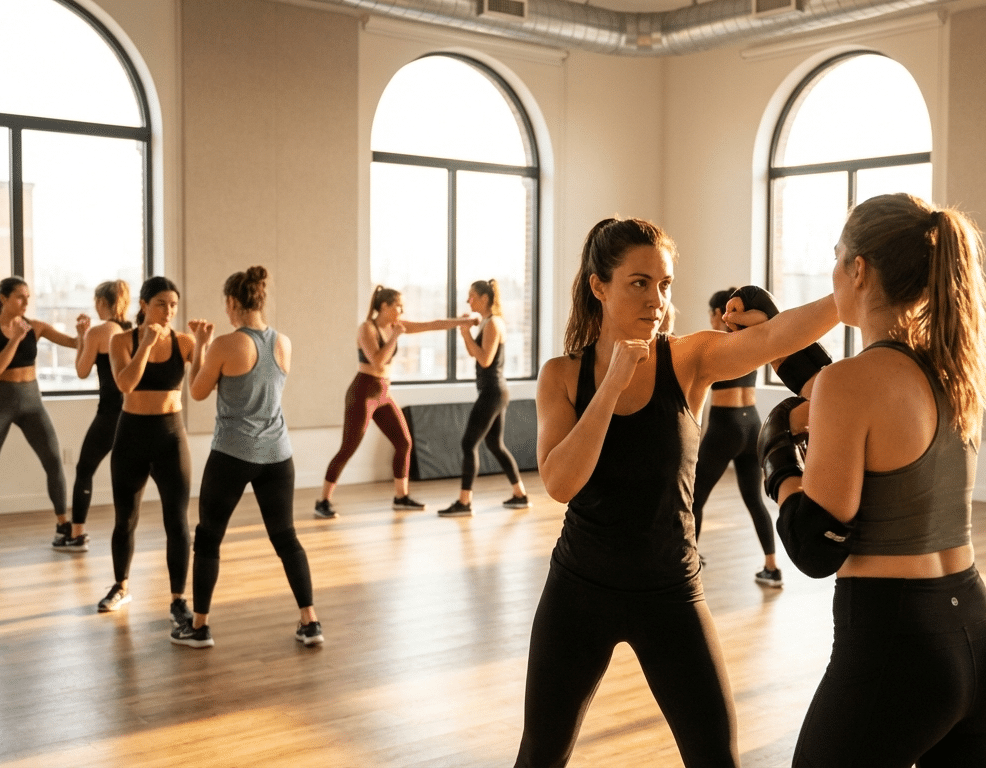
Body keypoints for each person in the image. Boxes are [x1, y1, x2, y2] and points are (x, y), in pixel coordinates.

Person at [517, 217, 839, 768]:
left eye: (664, 284)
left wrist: (852, 289)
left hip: (671, 593)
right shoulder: (562, 376)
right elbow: (560, 482)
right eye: (639, 282)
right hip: (579, 592)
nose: (656, 298)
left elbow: (774, 338)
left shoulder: (688, 359)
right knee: (540, 755)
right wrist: (611, 384)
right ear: (599, 286)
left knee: (716, 758)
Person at [761, 193, 986, 766]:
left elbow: (815, 545)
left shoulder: (850, 383)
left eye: (836, 257)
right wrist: (787, 350)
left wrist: (775, 455)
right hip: (981, 640)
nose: (832, 272)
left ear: (858, 269)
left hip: (900, 648)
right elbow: (857, 398)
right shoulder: (954, 367)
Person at [172, 266, 321, 649]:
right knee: (286, 537)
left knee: (208, 537)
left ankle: (200, 627)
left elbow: (199, 391)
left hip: (233, 455)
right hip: (277, 454)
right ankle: (310, 622)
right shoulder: (283, 342)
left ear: (233, 302)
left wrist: (201, 343)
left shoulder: (226, 344)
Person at [314, 286, 476, 518]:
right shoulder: (367, 328)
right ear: (384, 306)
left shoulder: (395, 326)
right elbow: (378, 362)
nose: (402, 310)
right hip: (363, 392)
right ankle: (323, 501)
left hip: (382, 393)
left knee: (404, 442)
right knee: (348, 448)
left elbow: (432, 324)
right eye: (398, 305)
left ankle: (401, 497)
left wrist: (461, 322)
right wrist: (396, 336)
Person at [96, 276, 197, 632]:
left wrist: (206, 343)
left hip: (171, 436)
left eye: (173, 304)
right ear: (143, 305)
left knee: (178, 522)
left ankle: (178, 599)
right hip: (132, 435)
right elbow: (125, 384)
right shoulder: (121, 340)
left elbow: (200, 387)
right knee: (125, 519)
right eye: (161, 304)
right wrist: (147, 344)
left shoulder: (184, 341)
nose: (168, 311)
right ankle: (121, 586)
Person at [0, 277, 78, 548]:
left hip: (32, 403)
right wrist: (16, 339)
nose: (26, 302)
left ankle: (62, 523)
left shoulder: (37, 326)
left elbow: (74, 343)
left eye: (28, 297)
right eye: (20, 297)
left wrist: (85, 332)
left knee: (54, 461)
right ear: (2, 299)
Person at [690, 287, 783, 587]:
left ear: (719, 314)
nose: (710, 319)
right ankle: (772, 567)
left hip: (725, 426)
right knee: (754, 499)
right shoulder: (752, 342)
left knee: (693, 497)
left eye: (711, 314)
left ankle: (689, 561)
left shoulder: (718, 343)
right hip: (753, 425)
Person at [438, 279, 530, 518]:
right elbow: (474, 352)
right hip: (494, 392)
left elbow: (484, 359)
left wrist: (466, 332)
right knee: (494, 444)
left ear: (484, 298)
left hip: (492, 392)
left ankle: (464, 502)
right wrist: (466, 332)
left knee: (469, 444)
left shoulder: (492, 324)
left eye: (472, 296)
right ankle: (520, 495)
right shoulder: (489, 322)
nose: (468, 300)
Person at [55, 280, 132, 553]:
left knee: (84, 470)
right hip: (134, 412)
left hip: (110, 414)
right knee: (136, 475)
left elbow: (81, 370)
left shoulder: (99, 332)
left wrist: (82, 337)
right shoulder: (132, 330)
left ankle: (77, 535)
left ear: (102, 302)